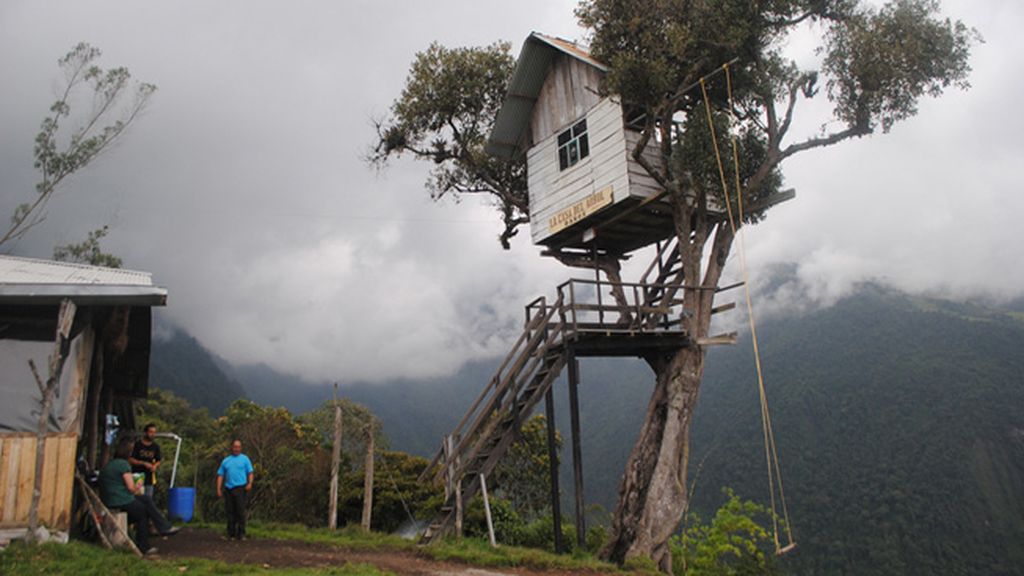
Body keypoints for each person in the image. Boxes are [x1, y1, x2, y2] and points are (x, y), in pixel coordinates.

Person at [99, 438, 179, 555]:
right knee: (142, 512)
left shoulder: (110, 464)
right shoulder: (124, 465)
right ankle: (144, 546)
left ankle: (163, 526)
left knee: (145, 499)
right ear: (128, 453)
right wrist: (138, 485)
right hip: (120, 500)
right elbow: (131, 487)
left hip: (109, 500)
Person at [216, 439, 254, 540]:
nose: (237, 449)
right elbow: (220, 475)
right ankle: (230, 533)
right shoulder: (226, 461)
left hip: (241, 488)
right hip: (229, 488)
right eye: (235, 447)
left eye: (238, 447)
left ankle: (241, 533)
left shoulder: (245, 459)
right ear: (232, 447)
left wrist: (250, 483)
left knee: (240, 511)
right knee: (230, 511)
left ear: (241, 448)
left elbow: (250, 472)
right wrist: (218, 488)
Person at [128, 423, 162, 498]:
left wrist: (155, 466)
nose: (152, 434)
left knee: (148, 499)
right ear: (146, 432)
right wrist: (143, 463)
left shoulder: (155, 446)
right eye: (151, 432)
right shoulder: (137, 445)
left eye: (154, 432)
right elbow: (130, 459)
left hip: (149, 478)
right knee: (137, 497)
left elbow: (158, 460)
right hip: (137, 476)